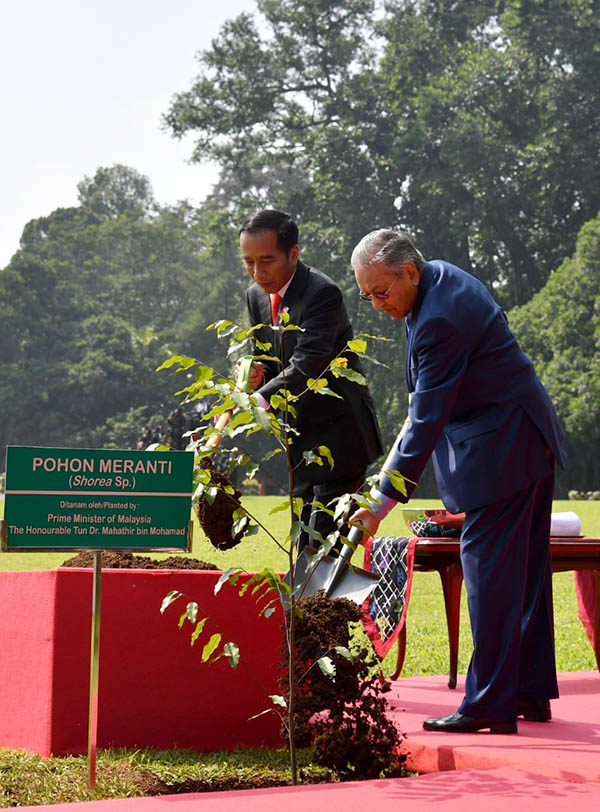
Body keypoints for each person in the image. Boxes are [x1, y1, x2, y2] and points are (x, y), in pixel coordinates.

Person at [349, 228, 567, 734]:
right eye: (366, 296)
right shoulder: (438, 280)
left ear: (408, 271)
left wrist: (381, 500)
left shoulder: (440, 320)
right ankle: (528, 693)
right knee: (526, 578)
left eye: (382, 291)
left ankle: (489, 703)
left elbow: (425, 418)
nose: (377, 304)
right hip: (525, 441)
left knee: (490, 580)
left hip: (502, 454)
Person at [239, 209, 383, 550]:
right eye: (248, 262)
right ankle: (305, 602)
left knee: (327, 540)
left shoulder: (322, 293)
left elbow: (307, 364)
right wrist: (255, 375)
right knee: (303, 535)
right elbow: (267, 359)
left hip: (339, 435)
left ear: (293, 253)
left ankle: (329, 602)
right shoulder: (256, 296)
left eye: (267, 260)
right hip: (298, 438)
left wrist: (258, 401)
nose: (258, 273)